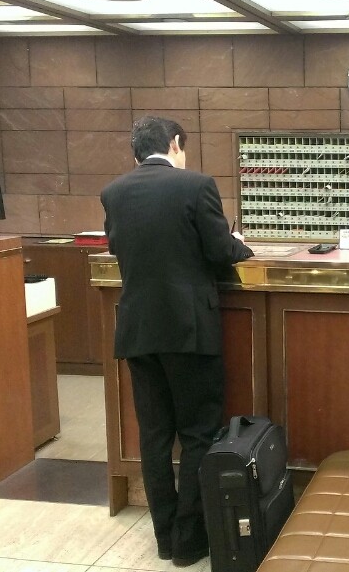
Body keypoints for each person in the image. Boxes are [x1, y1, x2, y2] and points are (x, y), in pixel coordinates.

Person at [100, 116, 253, 568]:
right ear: (174, 144)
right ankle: (189, 543)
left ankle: (164, 538)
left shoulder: (113, 192)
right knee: (197, 434)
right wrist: (238, 243)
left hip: (138, 332)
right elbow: (220, 252)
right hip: (189, 331)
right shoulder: (196, 186)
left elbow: (117, 247)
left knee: (154, 438)